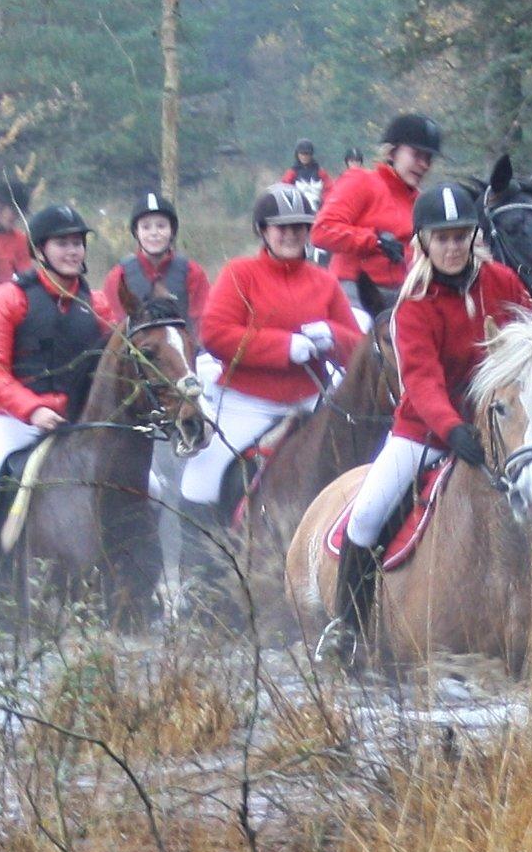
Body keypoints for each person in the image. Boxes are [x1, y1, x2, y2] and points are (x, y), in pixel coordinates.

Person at [336, 182, 532, 638]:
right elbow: (421, 382)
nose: (452, 246)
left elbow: (531, 338)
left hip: (505, 428)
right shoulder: (412, 304)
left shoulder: (503, 283)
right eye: (442, 238)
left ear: (473, 237)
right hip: (423, 433)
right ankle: (347, 629)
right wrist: (452, 428)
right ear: (423, 241)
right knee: (365, 517)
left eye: (461, 236)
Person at [177, 184, 362, 574]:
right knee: (201, 478)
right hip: (249, 404)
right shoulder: (239, 274)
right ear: (263, 230)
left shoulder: (325, 282)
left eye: (299, 226)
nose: (292, 234)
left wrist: (333, 335)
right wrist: (281, 347)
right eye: (282, 228)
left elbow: (358, 350)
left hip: (310, 404)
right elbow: (214, 333)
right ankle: (201, 580)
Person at [0, 204, 113, 484]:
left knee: (153, 488)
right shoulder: (10, 298)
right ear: (39, 250)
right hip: (15, 422)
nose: (73, 251)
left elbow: (112, 370)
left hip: (79, 422)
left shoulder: (98, 304)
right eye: (62, 243)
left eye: (77, 243)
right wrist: (33, 409)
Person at [311, 113, 442, 333]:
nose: (424, 165)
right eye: (417, 155)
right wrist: (375, 241)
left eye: (428, 158)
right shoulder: (362, 181)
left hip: (403, 294)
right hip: (355, 290)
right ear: (392, 152)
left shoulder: (422, 201)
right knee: (360, 336)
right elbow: (322, 231)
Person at [102, 192, 210, 328]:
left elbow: (202, 323)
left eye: (161, 226)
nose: (154, 233)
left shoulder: (193, 273)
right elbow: (115, 326)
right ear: (136, 232)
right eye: (146, 227)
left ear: (172, 230)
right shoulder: (118, 276)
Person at [0, 180, 32, 286]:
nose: (16, 217)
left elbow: (25, 279)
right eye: (14, 211)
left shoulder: (20, 240)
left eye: (20, 213)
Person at [281, 138, 334, 209]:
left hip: (318, 208)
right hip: (298, 209)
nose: (304, 157)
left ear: (311, 155)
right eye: (301, 154)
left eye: (306, 154)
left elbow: (329, 189)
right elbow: (284, 189)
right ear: (297, 154)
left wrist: (324, 204)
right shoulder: (292, 173)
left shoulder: (320, 172)